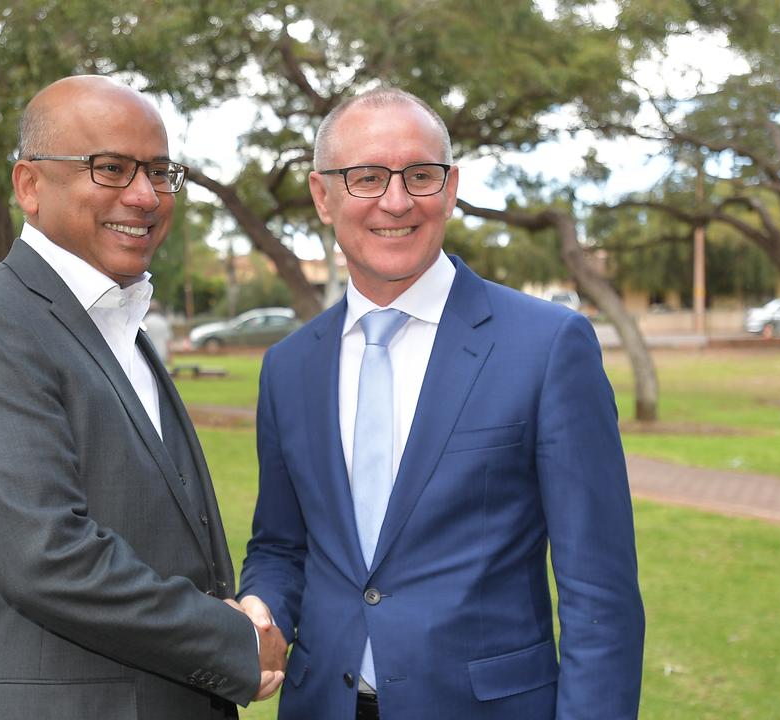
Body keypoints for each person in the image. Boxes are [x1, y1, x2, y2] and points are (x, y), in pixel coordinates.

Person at [236, 88, 645, 719]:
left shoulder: (547, 346)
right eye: (367, 177)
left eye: (419, 176)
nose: (396, 202)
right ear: (323, 196)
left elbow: (600, 594)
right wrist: (263, 605)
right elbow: (282, 547)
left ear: (450, 189)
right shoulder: (288, 367)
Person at [0, 75, 284, 720]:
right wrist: (232, 640)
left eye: (159, 172)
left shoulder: (116, 323)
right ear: (29, 186)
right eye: (110, 169)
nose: (144, 195)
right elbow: (46, 555)